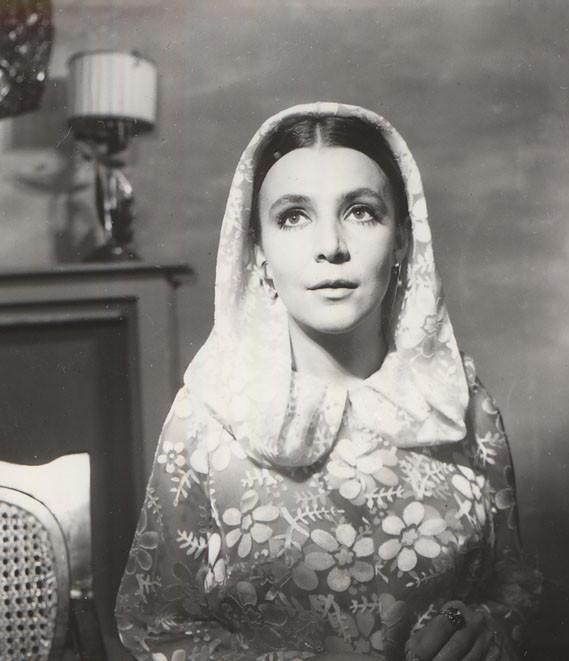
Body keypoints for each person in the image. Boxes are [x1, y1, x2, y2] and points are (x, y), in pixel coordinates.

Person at [115, 102, 541, 661]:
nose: (331, 246)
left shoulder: (461, 399)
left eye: (361, 212)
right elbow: (155, 625)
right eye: (294, 216)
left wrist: (487, 628)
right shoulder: (207, 414)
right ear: (257, 253)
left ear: (403, 240)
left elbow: (512, 585)